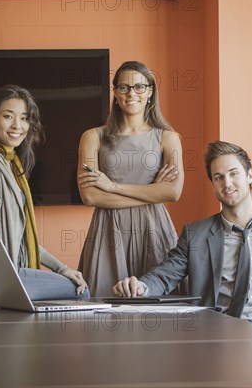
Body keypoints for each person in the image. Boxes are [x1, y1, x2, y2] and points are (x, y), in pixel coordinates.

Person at [113, 141, 252, 322]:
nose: (227, 183)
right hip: (218, 336)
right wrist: (140, 286)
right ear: (213, 185)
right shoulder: (196, 235)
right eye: (218, 177)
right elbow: (164, 276)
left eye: (234, 173)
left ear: (250, 175)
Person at [0, 85, 89, 302]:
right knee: (82, 292)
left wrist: (63, 269)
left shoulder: (12, 165)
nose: (18, 125)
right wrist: (4, 283)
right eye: (8, 116)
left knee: (75, 283)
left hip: (6, 273)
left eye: (25, 118)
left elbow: (24, 239)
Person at [77, 61, 184, 297]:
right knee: (102, 312)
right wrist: (152, 192)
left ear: (150, 92)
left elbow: (173, 192)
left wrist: (111, 186)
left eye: (138, 87)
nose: (131, 93)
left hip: (154, 229)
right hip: (107, 230)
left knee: (160, 307)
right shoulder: (92, 137)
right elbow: (90, 195)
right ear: (115, 92)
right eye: (124, 87)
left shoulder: (169, 138)